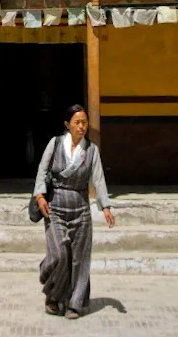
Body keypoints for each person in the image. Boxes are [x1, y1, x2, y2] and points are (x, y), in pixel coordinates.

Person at [33, 104, 115, 319]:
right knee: (58, 255)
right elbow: (43, 170)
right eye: (77, 122)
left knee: (80, 258)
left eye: (85, 123)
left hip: (81, 208)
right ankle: (51, 289)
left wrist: (105, 206)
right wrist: (40, 196)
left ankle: (74, 303)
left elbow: (98, 179)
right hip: (55, 207)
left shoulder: (91, 150)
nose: (82, 127)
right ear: (67, 125)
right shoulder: (55, 143)